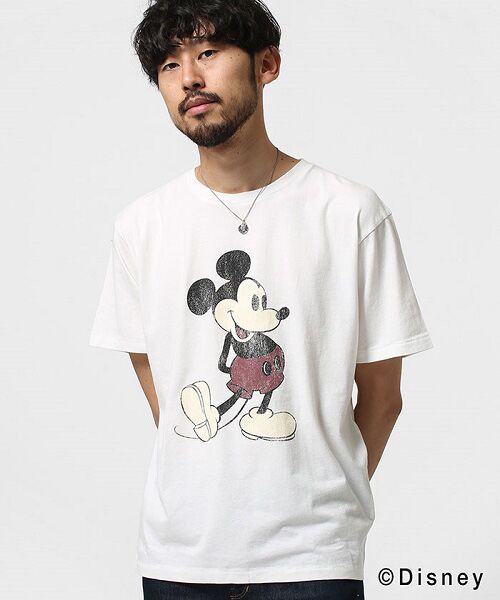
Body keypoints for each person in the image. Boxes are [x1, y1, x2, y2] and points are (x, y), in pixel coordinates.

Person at [89, 1, 434, 598]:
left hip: (314, 561)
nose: (189, 77)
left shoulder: (350, 212)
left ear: (267, 64)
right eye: (169, 65)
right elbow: (151, 368)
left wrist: (324, 495)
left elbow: (384, 397)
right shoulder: (141, 226)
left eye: (208, 52)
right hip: (180, 558)